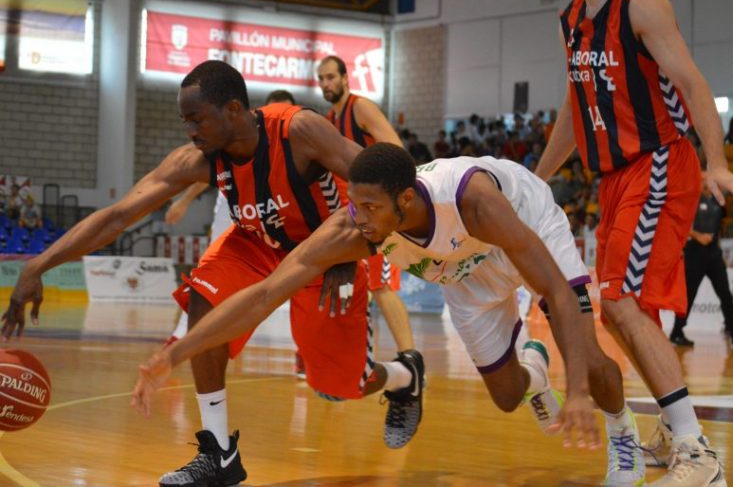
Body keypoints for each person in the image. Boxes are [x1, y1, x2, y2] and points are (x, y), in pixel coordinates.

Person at [2, 61, 426, 487]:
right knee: (201, 296)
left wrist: (348, 252)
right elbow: (118, 216)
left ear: (235, 110)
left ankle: (406, 376)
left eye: (196, 118)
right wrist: (39, 265)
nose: (190, 129)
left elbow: (374, 180)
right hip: (255, 245)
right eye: (185, 120)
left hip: (324, 251)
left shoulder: (299, 131)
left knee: (339, 387)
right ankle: (219, 452)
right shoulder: (199, 159)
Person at [133, 144, 639, 484]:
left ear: (405, 199)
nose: (360, 218)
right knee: (508, 397)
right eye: (354, 205)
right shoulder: (354, 227)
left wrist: (575, 391)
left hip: (521, 232)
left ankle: (624, 439)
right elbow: (265, 294)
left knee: (588, 361)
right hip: (460, 271)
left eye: (371, 208)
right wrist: (179, 351)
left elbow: (555, 288)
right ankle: (531, 367)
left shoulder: (474, 200)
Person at [537, 0, 733, 485]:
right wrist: (533, 180)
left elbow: (694, 83)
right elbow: (574, 108)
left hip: (656, 163)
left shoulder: (642, 5)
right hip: (612, 177)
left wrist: (716, 164)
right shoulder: (571, 20)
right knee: (621, 311)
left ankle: (698, 454)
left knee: (620, 303)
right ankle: (672, 432)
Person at [162, 89, 309, 378]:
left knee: (298, 276)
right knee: (206, 274)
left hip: (279, 214)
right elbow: (206, 172)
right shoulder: (239, 142)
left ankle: (302, 349)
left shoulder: (296, 141)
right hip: (235, 207)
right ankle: (181, 336)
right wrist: (185, 200)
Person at [317, 55, 415, 354]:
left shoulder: (360, 108)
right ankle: (354, 351)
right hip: (350, 216)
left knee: (381, 286)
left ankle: (411, 359)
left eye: (331, 77)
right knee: (350, 283)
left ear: (346, 78)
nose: (326, 84)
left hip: (378, 214)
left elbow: (396, 150)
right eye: (321, 79)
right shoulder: (329, 120)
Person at [670, 181, 733, 349]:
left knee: (725, 294)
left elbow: (719, 227)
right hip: (695, 252)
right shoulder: (691, 200)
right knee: (689, 295)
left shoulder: (718, 202)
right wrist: (698, 236)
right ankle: (677, 332)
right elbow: (678, 224)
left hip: (713, 253)